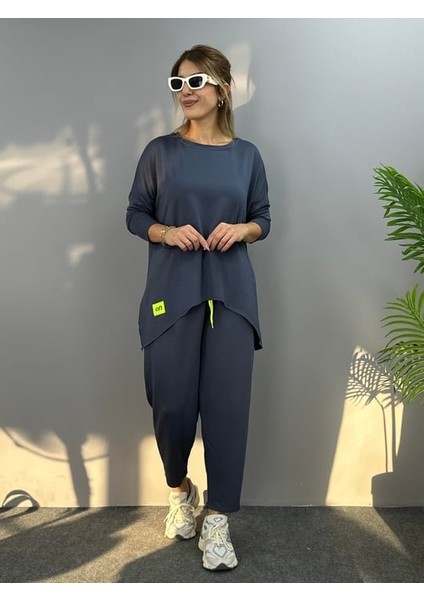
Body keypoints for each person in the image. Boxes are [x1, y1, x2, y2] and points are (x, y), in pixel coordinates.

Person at [126, 44, 271, 571]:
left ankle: (217, 520)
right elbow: (136, 214)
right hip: (172, 295)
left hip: (231, 296)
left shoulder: (247, 156)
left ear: (223, 89)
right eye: (178, 84)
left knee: (228, 411)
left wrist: (243, 229)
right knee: (171, 406)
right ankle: (180, 490)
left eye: (196, 81)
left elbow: (263, 218)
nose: (185, 91)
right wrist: (166, 232)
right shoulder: (159, 152)